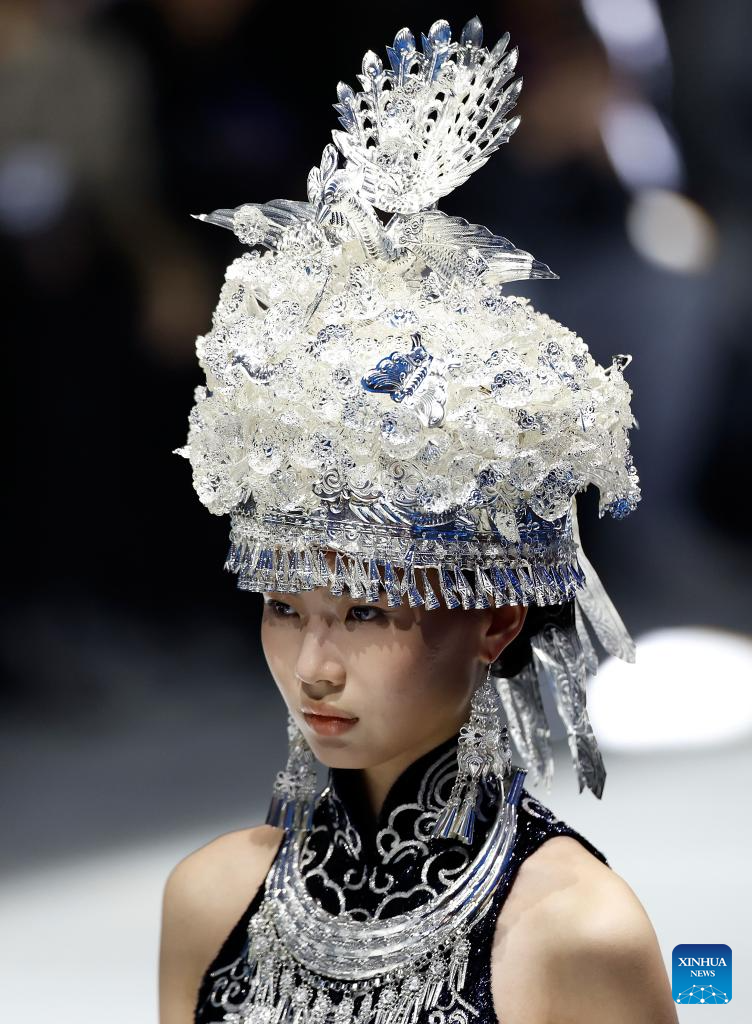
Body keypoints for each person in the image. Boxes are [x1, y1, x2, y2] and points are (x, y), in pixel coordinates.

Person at [159, 16, 678, 1024]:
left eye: (364, 612)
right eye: (283, 608)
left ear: (497, 619)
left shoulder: (573, 934)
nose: (313, 666)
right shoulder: (208, 902)